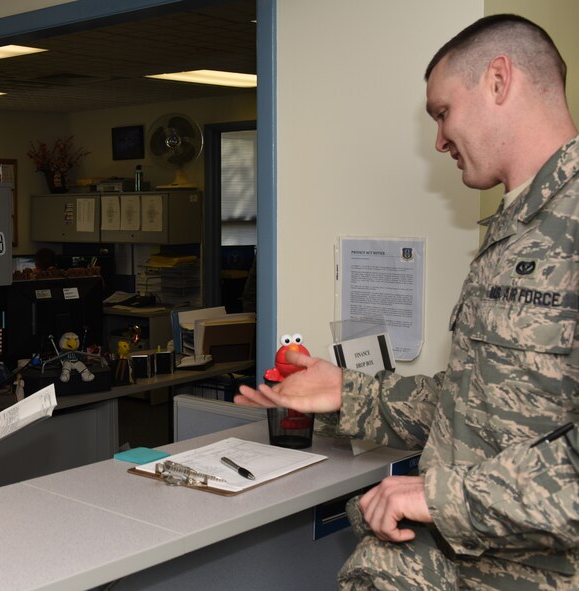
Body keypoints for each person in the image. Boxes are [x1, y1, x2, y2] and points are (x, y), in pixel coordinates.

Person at [236, 14, 577, 590]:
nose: (439, 139)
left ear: (498, 80)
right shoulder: (514, 226)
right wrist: (349, 393)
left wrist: (438, 494)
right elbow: (483, 401)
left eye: (443, 113)